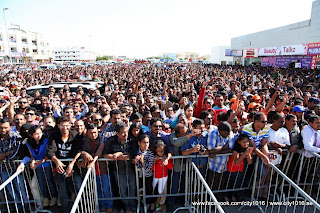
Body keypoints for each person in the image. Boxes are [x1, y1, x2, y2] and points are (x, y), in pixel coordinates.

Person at [47, 116, 83, 213]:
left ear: (70, 125)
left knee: (78, 187)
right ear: (58, 126)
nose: (65, 128)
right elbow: (50, 151)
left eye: (67, 125)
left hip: (74, 166)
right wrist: (57, 161)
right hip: (60, 167)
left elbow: (79, 151)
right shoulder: (54, 135)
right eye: (62, 125)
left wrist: (71, 164)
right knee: (62, 190)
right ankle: (65, 210)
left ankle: (80, 208)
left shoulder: (75, 134)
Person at [17, 125, 58, 207]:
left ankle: (54, 197)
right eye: (36, 134)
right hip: (38, 166)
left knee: (50, 181)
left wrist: (37, 163)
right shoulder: (28, 143)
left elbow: (47, 155)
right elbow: (32, 155)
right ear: (31, 135)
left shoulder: (46, 140)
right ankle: (45, 198)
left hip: (46, 164)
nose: (39, 135)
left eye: (40, 133)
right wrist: (33, 161)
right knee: (41, 181)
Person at [103, 122, 136, 213]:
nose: (125, 134)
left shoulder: (131, 140)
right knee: (122, 190)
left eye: (126, 132)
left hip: (131, 169)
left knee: (132, 188)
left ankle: (133, 206)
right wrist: (114, 156)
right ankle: (126, 207)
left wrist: (120, 154)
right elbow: (105, 154)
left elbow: (133, 154)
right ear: (117, 133)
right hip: (118, 170)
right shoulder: (111, 140)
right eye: (123, 132)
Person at [81, 124, 113, 213]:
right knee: (97, 190)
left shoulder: (102, 140)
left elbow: (102, 152)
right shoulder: (84, 141)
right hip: (92, 171)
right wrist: (84, 153)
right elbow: (81, 151)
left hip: (103, 169)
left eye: (95, 132)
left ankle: (109, 206)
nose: (93, 134)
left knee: (106, 189)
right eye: (91, 133)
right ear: (87, 133)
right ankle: (102, 205)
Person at [226, 133, 253, 201]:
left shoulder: (247, 149)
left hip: (240, 169)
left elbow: (250, 162)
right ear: (239, 142)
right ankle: (226, 196)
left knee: (238, 183)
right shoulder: (236, 150)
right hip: (231, 168)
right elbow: (237, 161)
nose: (245, 144)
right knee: (230, 183)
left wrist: (248, 154)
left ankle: (234, 196)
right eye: (243, 142)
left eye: (247, 142)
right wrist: (244, 154)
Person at [134, 134, 156, 211]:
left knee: (149, 190)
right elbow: (135, 166)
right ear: (139, 143)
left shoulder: (150, 153)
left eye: (147, 142)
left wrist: (142, 161)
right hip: (139, 176)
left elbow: (148, 168)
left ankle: (151, 204)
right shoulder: (136, 152)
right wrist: (136, 162)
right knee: (140, 190)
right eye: (144, 142)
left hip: (148, 176)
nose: (146, 144)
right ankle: (142, 204)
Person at [152, 140, 173, 213]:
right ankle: (154, 203)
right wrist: (154, 161)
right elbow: (152, 168)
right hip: (155, 177)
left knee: (163, 191)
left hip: (164, 177)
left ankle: (161, 203)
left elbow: (170, 167)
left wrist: (166, 161)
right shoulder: (154, 158)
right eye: (159, 151)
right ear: (155, 151)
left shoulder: (165, 158)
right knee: (154, 190)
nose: (161, 153)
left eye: (162, 151)